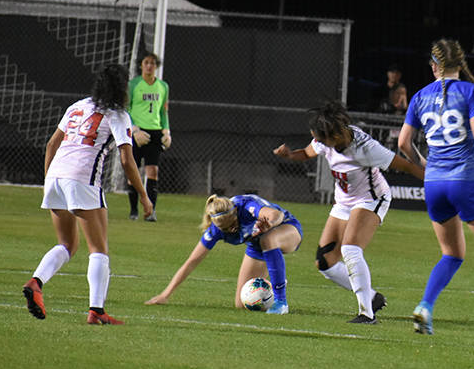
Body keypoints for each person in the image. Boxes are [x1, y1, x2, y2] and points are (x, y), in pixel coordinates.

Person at [397, 38, 474, 340]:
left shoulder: (420, 96)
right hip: (465, 180)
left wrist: (423, 164)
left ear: (434, 67)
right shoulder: (470, 91)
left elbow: (402, 143)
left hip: (434, 184)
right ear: (460, 65)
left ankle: (425, 307)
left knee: (451, 254)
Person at [21, 64, 153, 325]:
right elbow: (127, 160)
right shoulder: (118, 115)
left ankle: (36, 282)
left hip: (56, 175)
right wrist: (143, 195)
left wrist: (49, 181)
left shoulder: (77, 106)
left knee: (67, 245)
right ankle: (96, 311)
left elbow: (51, 144)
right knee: (99, 249)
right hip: (82, 179)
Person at [273, 101, 424, 323]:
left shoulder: (366, 148)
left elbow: (407, 166)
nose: (316, 139)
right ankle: (372, 297)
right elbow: (306, 153)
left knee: (351, 249)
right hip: (344, 203)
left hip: (371, 199)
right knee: (325, 262)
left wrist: (439, 184)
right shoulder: (326, 140)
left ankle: (366, 313)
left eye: (318, 136)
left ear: (331, 136)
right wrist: (289, 155)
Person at [145, 193, 302, 313]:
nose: (232, 230)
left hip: (287, 229)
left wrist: (270, 224)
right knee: (242, 304)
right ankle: (276, 281)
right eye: (226, 229)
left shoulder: (246, 205)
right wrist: (165, 294)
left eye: (233, 224)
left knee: (268, 238)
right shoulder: (214, 231)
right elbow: (191, 261)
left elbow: (277, 215)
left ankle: (281, 302)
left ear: (235, 212)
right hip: (257, 246)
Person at [126, 52, 171, 221]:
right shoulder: (134, 85)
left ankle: (150, 211)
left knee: (153, 171)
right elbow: (126, 108)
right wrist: (134, 129)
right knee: (134, 171)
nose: (149, 66)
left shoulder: (163, 86)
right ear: (141, 65)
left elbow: (163, 112)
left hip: (154, 132)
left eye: (152, 63)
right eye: (146, 62)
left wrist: (166, 131)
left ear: (156, 66)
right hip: (137, 132)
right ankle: (133, 211)